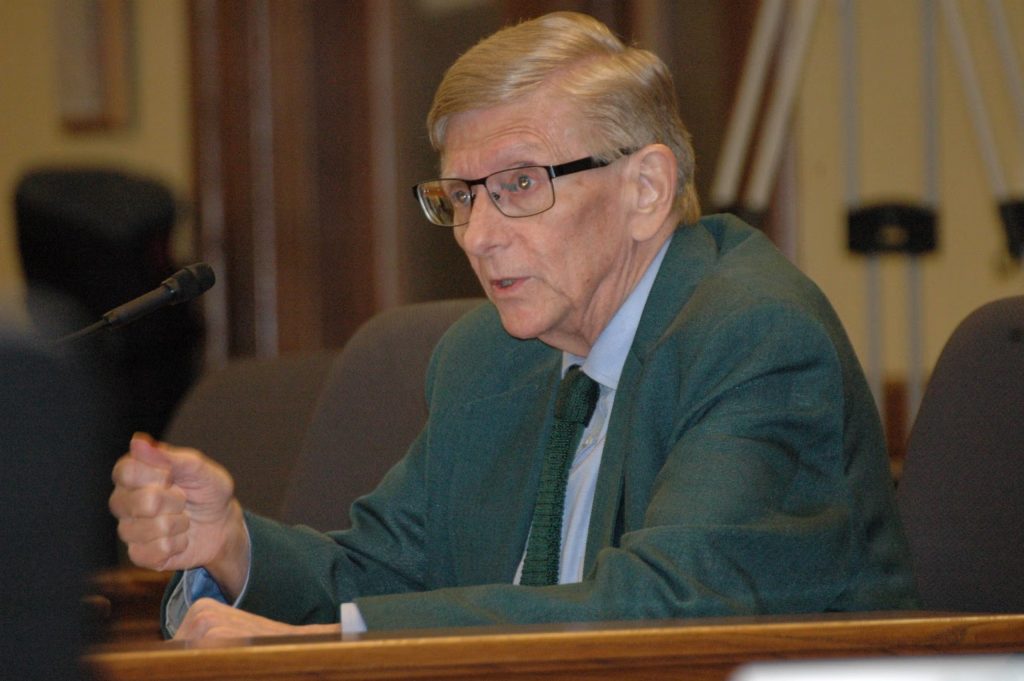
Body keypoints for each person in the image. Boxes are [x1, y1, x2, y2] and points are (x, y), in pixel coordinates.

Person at [110, 11, 918, 640]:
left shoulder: (754, 335)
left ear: (645, 189)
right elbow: (386, 573)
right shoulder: (489, 354)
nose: (477, 235)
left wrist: (335, 642)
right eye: (462, 196)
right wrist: (232, 544)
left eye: (521, 185)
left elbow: (670, 604)